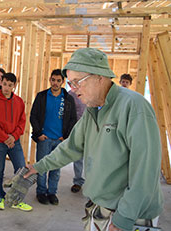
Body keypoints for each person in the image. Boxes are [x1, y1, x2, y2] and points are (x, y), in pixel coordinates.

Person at [25, 48, 163, 231]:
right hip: (100, 208)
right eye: (70, 84)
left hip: (131, 215)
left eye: (77, 82)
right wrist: (39, 166)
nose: (72, 90)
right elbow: (71, 147)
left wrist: (125, 217)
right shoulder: (93, 110)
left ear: (99, 77)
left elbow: (146, 170)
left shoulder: (134, 107)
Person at [30, 69, 77, 205]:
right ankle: (41, 192)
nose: (55, 83)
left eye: (58, 81)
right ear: (50, 80)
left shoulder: (68, 99)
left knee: (56, 169)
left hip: (60, 140)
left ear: (62, 82)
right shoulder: (42, 96)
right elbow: (33, 116)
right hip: (44, 139)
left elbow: (73, 119)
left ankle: (52, 193)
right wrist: (39, 134)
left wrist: (65, 136)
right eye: (53, 80)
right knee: (42, 168)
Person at [0, 72, 32, 212]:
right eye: (4, 84)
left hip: (15, 142)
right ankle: (0, 196)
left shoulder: (19, 102)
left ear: (14, 86)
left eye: (10, 85)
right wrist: (6, 138)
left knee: (21, 170)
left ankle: (16, 200)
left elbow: (22, 122)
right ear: (1, 83)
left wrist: (13, 136)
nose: (6, 87)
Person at [68, 90, 86, 193]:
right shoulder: (70, 94)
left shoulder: (91, 92)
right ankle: (78, 181)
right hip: (76, 129)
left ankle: (92, 185)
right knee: (78, 156)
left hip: (91, 129)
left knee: (91, 158)